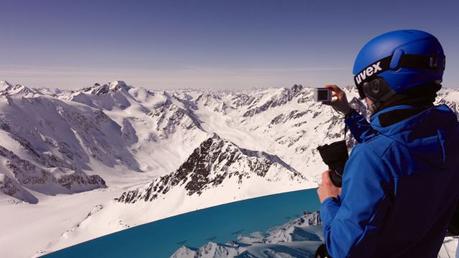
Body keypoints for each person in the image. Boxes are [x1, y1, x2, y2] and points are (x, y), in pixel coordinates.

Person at [317, 30, 459, 258]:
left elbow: (344, 251)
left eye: (364, 89)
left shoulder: (372, 159)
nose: (364, 99)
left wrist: (328, 200)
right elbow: (398, 142)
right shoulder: (449, 132)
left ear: (377, 86)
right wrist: (348, 112)